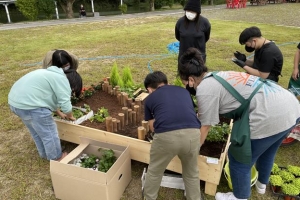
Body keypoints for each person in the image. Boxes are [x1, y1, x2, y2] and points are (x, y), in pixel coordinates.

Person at [178, 47, 300, 200]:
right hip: (290, 106)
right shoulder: (216, 76)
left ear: (190, 79)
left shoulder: (204, 89)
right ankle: (261, 185)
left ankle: (240, 197)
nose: (186, 87)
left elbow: (205, 127)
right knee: (268, 150)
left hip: (271, 114)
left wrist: (193, 151)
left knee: (238, 158)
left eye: (185, 83)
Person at [8, 50, 80, 161]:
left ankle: (45, 154)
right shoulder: (62, 80)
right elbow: (65, 104)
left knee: (37, 131)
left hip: (16, 103)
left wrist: (59, 112)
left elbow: (48, 98)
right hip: (32, 107)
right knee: (50, 134)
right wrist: (70, 116)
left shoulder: (49, 73)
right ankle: (57, 157)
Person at [143, 71, 201, 200]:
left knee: (155, 171)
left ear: (149, 89)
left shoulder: (150, 98)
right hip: (193, 133)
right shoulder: (183, 91)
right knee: (192, 173)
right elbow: (192, 112)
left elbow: (153, 127)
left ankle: (149, 198)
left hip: (166, 137)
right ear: (166, 82)